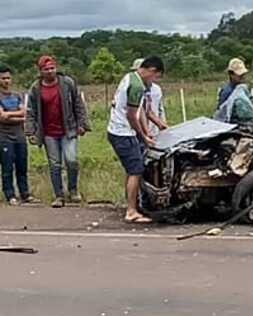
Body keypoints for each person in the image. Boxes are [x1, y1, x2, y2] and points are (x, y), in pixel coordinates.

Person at [25, 55, 91, 208]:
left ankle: (73, 190)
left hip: (68, 129)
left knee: (72, 160)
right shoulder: (36, 88)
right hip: (48, 132)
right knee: (55, 165)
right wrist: (30, 132)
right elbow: (31, 111)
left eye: (52, 68)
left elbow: (78, 104)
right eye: (46, 69)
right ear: (40, 71)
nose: (50, 71)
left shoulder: (67, 83)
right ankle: (59, 195)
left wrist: (82, 123)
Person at [107, 55, 165, 223]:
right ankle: (131, 210)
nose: (155, 81)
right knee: (136, 170)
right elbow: (133, 116)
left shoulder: (130, 77)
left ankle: (132, 203)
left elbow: (141, 112)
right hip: (123, 132)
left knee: (132, 168)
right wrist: (143, 137)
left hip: (118, 130)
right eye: (156, 76)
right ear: (152, 71)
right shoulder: (137, 86)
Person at [0, 65, 37, 206]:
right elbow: (2, 117)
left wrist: (9, 115)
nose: (6, 81)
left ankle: (25, 194)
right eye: (3, 78)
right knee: (7, 167)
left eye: (8, 78)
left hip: (20, 136)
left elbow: (24, 114)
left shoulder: (18, 95)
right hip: (4, 137)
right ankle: (10, 194)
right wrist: (16, 116)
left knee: (22, 166)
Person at [214, 58, 253, 125]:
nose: (242, 76)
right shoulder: (228, 92)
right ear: (231, 74)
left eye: (243, 74)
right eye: (239, 75)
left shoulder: (240, 88)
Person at [131, 59, 167, 137]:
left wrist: (161, 123)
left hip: (152, 128)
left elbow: (157, 109)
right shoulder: (134, 87)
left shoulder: (156, 89)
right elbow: (136, 112)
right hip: (136, 129)